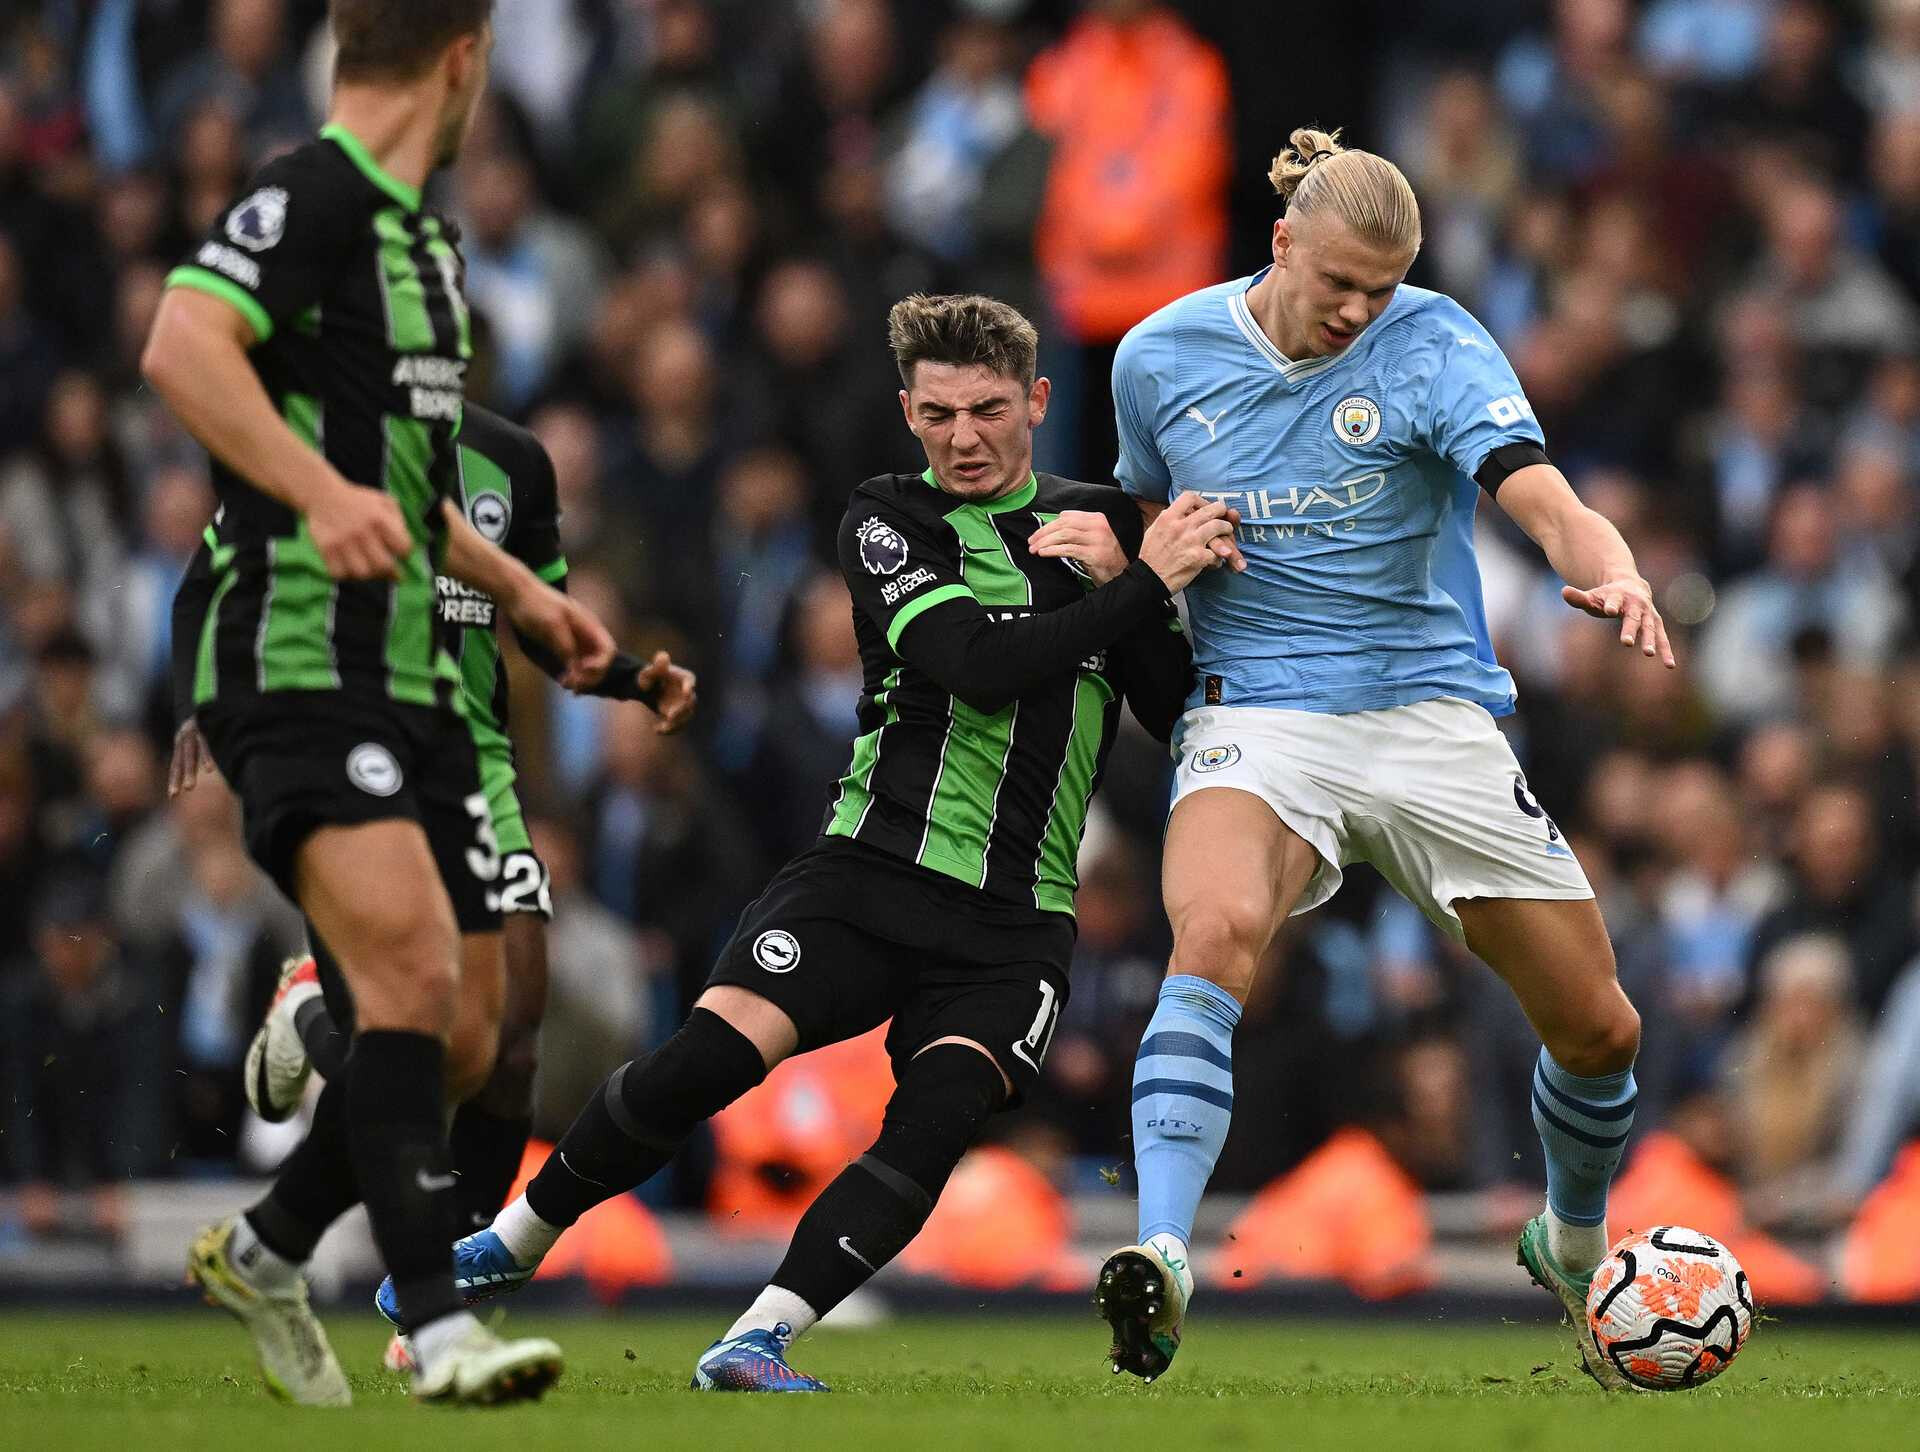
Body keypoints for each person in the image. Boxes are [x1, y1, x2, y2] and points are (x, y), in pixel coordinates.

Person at [375, 292, 1233, 1392]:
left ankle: (758, 1336)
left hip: (1017, 921)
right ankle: (513, 1244)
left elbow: (1168, 709)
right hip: (868, 873)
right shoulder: (887, 518)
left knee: (932, 1127)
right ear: (906, 413)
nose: (962, 438)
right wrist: (1147, 582)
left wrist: (1129, 584)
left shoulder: (1107, 525)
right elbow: (972, 662)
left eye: (986, 410)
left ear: (1038, 400)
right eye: (936, 415)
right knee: (710, 1059)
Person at [1095, 127, 1670, 1390]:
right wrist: (1168, 550)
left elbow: (1537, 490)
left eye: (1382, 289)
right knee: (1215, 932)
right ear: (1282, 240)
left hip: (1426, 712)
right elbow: (1147, 509)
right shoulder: (1158, 356)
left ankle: (1572, 1242)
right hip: (1263, 711)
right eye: (1338, 284)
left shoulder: (1437, 339)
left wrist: (1611, 566)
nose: (1359, 312)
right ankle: (1162, 1253)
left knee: (1598, 1028)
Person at [140, 0, 615, 1408]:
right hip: (300, 658)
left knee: (468, 1033)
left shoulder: (417, 244)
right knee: (413, 988)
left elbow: (416, 495)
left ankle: (273, 1246)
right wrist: (317, 490)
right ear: (465, 61)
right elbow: (180, 347)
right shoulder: (319, 192)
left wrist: (525, 598)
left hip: (421, 682)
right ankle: (438, 1326)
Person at [169, 403, 697, 1371]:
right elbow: (211, 574)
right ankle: (418, 1308)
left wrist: (625, 678)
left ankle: (445, 1295)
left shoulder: (514, 464)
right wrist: (194, 704)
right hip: (347, 746)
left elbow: (539, 623)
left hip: (473, 758)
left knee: (508, 1039)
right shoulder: (313, 433)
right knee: (413, 1040)